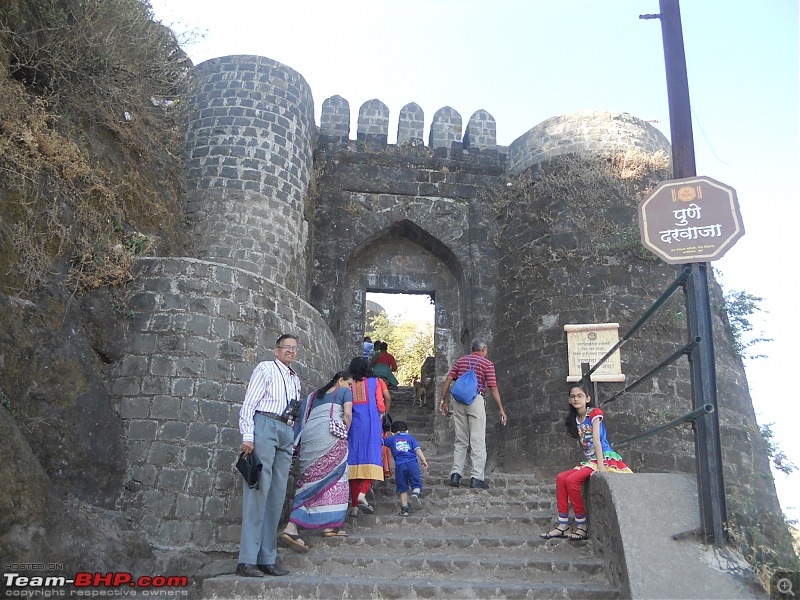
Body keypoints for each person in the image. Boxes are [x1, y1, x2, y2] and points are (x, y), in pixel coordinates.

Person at [236, 334, 302, 578]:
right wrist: (248, 435)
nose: (290, 351)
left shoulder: (295, 378)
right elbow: (249, 403)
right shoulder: (265, 368)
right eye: (286, 347)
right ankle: (247, 560)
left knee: (276, 494)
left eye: (294, 348)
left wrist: (293, 438)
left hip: (287, 430)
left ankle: (267, 558)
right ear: (276, 350)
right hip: (265, 423)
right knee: (258, 490)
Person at [540, 383, 632, 541]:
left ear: (587, 398)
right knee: (561, 477)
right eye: (573, 396)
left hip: (603, 457)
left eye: (580, 396)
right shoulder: (575, 419)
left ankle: (582, 525)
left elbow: (596, 439)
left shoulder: (593, 413)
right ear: (569, 400)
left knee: (572, 480)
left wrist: (601, 466)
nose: (576, 399)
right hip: (590, 460)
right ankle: (563, 525)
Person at [278, 371, 354, 553]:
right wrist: (344, 432)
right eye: (349, 383)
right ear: (341, 380)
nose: (351, 387)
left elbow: (299, 421)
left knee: (310, 479)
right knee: (338, 476)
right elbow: (348, 415)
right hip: (330, 434)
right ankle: (296, 526)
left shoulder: (313, 396)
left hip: (310, 437)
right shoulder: (343, 392)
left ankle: (310, 525)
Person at [439, 337, 507, 490]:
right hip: (475, 400)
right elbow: (493, 387)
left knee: (460, 440)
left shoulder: (460, 361)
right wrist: (501, 409)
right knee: (477, 440)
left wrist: (443, 400)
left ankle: (455, 474)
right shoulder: (487, 364)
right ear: (483, 349)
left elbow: (449, 379)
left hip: (458, 401)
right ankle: (476, 477)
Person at [347, 356, 390, 517]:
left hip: (353, 426)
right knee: (372, 458)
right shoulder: (376, 382)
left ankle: (354, 507)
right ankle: (362, 495)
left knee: (354, 463)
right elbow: (380, 404)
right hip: (371, 424)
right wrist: (383, 413)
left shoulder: (348, 383)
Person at [382, 420, 428, 517]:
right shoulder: (411, 439)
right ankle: (415, 494)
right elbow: (417, 450)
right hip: (412, 464)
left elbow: (380, 441)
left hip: (400, 466)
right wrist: (423, 460)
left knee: (402, 487)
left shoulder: (392, 439)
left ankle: (405, 509)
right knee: (416, 483)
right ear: (407, 431)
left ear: (393, 432)